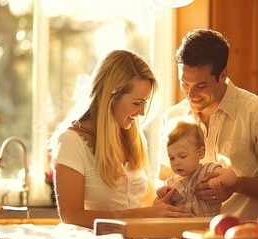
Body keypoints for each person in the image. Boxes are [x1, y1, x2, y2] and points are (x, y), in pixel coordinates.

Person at [157, 29, 258, 220]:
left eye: (201, 86)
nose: (190, 94)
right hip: (184, 238)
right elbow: (164, 177)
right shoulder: (172, 117)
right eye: (185, 83)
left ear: (222, 75)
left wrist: (237, 185)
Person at [50, 50, 193, 229]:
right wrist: (143, 214)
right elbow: (71, 216)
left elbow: (143, 201)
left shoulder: (133, 136)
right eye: (136, 103)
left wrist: (163, 198)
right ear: (110, 95)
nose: (141, 112)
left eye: (145, 103)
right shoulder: (72, 141)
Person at [156, 118, 238, 217]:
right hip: (180, 228)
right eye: (171, 158)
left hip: (207, 226)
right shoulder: (171, 184)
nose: (176, 162)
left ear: (200, 153)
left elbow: (232, 176)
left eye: (182, 156)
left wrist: (219, 180)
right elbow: (157, 207)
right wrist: (161, 194)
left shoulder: (207, 170)